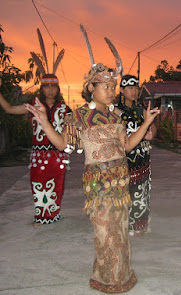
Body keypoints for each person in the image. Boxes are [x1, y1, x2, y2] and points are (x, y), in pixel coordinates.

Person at [25, 26, 160, 292]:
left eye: (113, 86)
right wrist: (43, 120)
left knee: (120, 231)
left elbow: (127, 145)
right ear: (91, 88)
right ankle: (106, 278)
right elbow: (63, 144)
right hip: (98, 185)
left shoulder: (117, 116)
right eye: (106, 86)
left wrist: (145, 125)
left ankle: (122, 275)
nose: (111, 90)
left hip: (120, 182)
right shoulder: (79, 117)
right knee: (104, 232)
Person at [0, 29, 70, 225]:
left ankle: (53, 214)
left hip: (58, 155)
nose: (50, 89)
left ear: (57, 88)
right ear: (42, 88)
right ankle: (41, 215)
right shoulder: (32, 106)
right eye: (46, 86)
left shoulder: (65, 109)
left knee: (57, 185)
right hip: (38, 155)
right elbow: (8, 109)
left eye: (53, 86)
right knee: (38, 185)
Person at [116, 74, 156, 237]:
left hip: (142, 157)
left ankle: (139, 225)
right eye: (130, 88)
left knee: (141, 191)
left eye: (136, 88)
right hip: (124, 157)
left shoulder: (142, 108)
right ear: (122, 90)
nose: (134, 92)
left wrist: (151, 132)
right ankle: (123, 226)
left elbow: (152, 126)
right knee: (124, 192)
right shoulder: (116, 110)